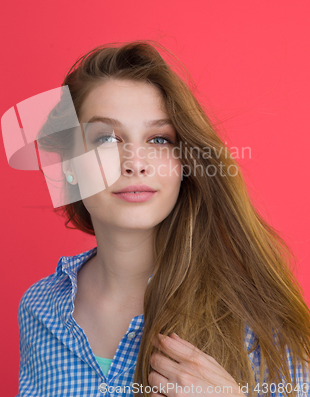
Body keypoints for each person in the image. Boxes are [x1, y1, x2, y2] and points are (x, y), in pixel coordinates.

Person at [16, 41, 310, 397]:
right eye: (106, 139)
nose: (135, 161)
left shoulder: (254, 315)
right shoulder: (39, 309)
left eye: (158, 139)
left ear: (183, 165)